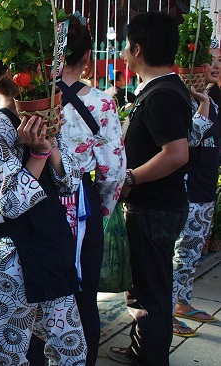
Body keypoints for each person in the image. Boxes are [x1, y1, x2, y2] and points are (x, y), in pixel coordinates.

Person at [0, 35, 86, 365]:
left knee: (72, 353)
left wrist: (49, 146)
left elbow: (71, 184)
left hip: (52, 249)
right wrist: (37, 153)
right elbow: (11, 204)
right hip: (14, 259)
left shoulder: (48, 117)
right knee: (9, 357)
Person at [27, 15, 126, 366]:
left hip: (33, 200)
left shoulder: (28, 100)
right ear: (87, 58)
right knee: (82, 297)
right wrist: (99, 211)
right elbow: (114, 171)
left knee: (36, 291)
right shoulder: (101, 103)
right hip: (80, 206)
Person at [107, 12, 191, 365]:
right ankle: (141, 350)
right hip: (156, 207)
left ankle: (150, 358)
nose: (124, 52)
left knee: (152, 293)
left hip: (155, 209)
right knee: (145, 288)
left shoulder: (161, 96)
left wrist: (130, 178)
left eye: (126, 45)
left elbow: (176, 154)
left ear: (137, 49)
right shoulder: (162, 90)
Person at [171, 42, 221, 337]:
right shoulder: (187, 100)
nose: (214, 65)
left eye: (218, 59)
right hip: (187, 192)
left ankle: (182, 303)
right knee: (178, 253)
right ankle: (167, 312)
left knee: (191, 252)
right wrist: (201, 103)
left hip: (204, 190)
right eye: (208, 59)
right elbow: (188, 141)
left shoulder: (211, 101)